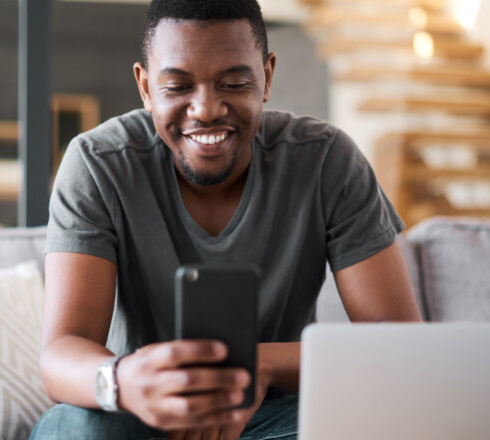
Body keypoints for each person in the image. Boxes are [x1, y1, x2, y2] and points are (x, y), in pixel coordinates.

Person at [30, 0, 422, 438]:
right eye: (177, 86)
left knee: (383, 421)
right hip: (142, 414)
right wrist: (123, 380)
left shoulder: (327, 161)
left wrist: (261, 365)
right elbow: (61, 352)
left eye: (233, 82)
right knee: (71, 428)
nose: (206, 109)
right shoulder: (97, 164)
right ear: (144, 87)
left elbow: (398, 346)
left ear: (267, 77)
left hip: (278, 418)